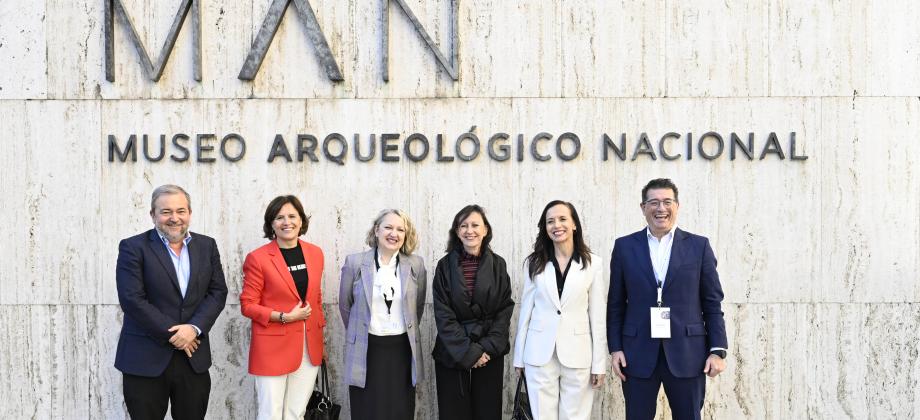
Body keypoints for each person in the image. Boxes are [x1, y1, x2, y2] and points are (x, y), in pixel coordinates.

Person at [607, 178, 728, 420]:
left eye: (666, 202)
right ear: (643, 208)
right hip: (636, 353)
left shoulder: (699, 246)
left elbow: (712, 303)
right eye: (653, 202)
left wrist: (718, 350)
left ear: (677, 206)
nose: (660, 208)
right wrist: (615, 348)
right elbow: (616, 304)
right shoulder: (624, 247)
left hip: (688, 353)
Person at [114, 184, 228, 420]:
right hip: (145, 359)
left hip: (192, 360)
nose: (174, 218)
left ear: (189, 213)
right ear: (153, 215)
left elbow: (217, 292)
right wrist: (177, 335)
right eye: (166, 212)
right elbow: (132, 299)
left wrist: (193, 329)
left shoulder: (207, 246)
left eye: (181, 211)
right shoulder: (133, 247)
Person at [512, 200, 607, 420]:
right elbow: (526, 311)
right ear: (545, 228)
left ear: (574, 224)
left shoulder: (593, 263)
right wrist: (519, 358)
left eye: (563, 219)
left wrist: (599, 364)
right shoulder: (534, 263)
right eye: (550, 221)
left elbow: (597, 317)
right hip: (538, 354)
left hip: (579, 355)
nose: (557, 225)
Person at [240, 195, 326, 420]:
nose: (286, 222)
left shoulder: (315, 253)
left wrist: (319, 334)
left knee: (296, 413)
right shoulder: (258, 258)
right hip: (271, 348)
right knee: (271, 413)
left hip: (308, 347)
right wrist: (283, 316)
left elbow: (315, 297)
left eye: (292, 216)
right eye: (279, 217)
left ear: (301, 220)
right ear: (271, 224)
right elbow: (247, 305)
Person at [338, 209, 428, 419]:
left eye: (400, 229)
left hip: (402, 349)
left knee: (400, 409)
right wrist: (359, 333)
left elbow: (418, 306)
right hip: (366, 348)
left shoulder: (416, 264)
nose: (393, 233)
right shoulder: (355, 263)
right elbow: (345, 306)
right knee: (366, 409)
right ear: (376, 230)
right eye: (388, 227)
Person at [432, 205, 514, 420]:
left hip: (489, 351)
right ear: (457, 232)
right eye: (463, 226)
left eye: (475, 225)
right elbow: (443, 314)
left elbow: (504, 309)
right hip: (453, 350)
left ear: (485, 229)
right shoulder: (443, 266)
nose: (470, 230)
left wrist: (485, 349)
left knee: (488, 411)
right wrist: (469, 352)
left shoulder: (498, 265)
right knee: (453, 413)